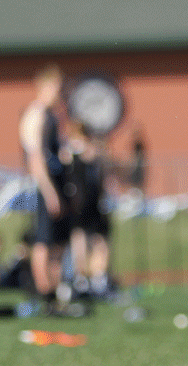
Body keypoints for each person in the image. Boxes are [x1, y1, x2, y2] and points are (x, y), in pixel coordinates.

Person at [19, 64, 72, 311]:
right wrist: (51, 193)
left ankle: (57, 294)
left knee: (58, 243)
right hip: (45, 186)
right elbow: (36, 159)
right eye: (57, 88)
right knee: (43, 241)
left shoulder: (53, 115)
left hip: (57, 184)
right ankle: (46, 296)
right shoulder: (36, 114)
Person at [63, 119, 116, 300]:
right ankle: (83, 278)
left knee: (96, 241)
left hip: (91, 201)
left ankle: (96, 278)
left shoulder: (90, 150)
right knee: (82, 240)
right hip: (81, 202)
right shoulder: (72, 151)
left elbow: (102, 171)